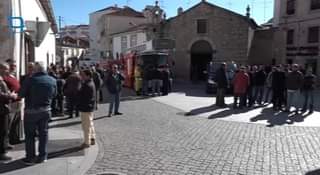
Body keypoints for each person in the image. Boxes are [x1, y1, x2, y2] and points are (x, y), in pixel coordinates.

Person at [19, 62, 56, 164]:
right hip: (46, 110)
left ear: (35, 70)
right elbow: (55, 94)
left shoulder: (30, 80)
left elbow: (21, 94)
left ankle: (30, 157)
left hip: (31, 111)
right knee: (43, 134)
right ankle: (43, 156)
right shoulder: (52, 80)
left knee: (30, 135)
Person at [0, 63, 17, 161]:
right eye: (5, 69)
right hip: (2, 110)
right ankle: (2, 153)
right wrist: (10, 96)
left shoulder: (2, 79)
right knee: (3, 131)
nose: (7, 70)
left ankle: (4, 147)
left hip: (4, 108)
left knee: (4, 130)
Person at [78, 69, 96, 148]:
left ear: (88, 76)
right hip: (89, 106)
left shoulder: (87, 85)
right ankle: (92, 138)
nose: (82, 76)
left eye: (83, 75)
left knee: (86, 126)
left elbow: (82, 96)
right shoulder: (90, 82)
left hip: (86, 107)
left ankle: (86, 142)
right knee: (90, 123)